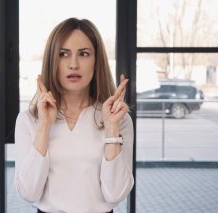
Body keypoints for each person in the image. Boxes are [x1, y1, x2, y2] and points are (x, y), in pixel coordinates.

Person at [14, 17, 134, 213]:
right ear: (53, 61)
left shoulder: (119, 120)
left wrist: (111, 128)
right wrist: (44, 128)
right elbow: (28, 193)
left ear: (96, 62)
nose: (73, 64)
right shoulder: (29, 120)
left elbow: (116, 194)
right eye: (63, 54)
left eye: (84, 54)